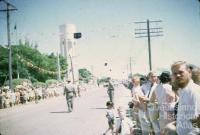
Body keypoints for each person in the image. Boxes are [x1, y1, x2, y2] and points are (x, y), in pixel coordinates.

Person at [171, 61, 200, 134]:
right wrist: (173, 124)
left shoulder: (193, 91)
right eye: (174, 73)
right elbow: (187, 117)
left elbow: (197, 126)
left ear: (189, 72)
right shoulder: (184, 90)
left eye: (181, 72)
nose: (177, 75)